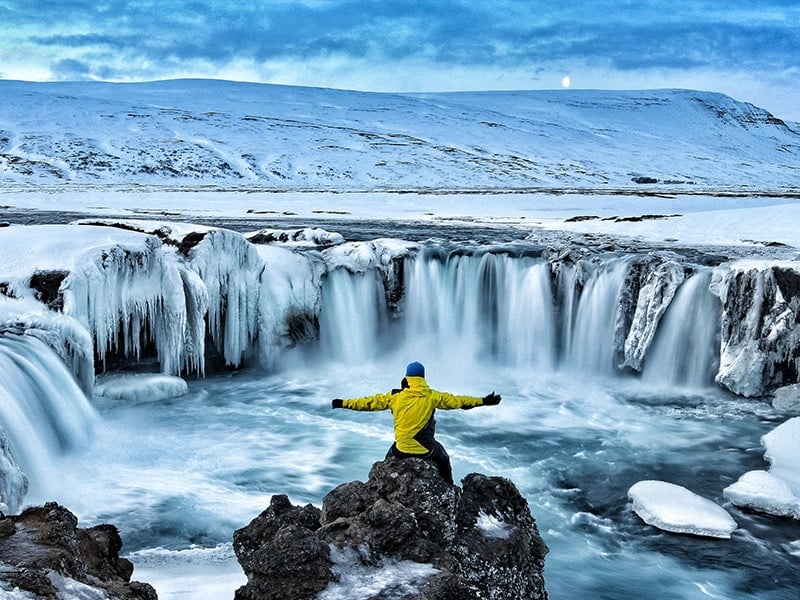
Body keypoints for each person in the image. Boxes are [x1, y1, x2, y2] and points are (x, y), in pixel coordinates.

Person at [331, 361, 501, 484]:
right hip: (426, 450)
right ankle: (449, 486)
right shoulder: (432, 396)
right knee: (443, 456)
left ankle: (381, 479)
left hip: (401, 450)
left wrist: (342, 403)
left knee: (389, 454)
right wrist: (483, 401)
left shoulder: (394, 397)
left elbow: (367, 403)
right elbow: (459, 402)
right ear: (423, 378)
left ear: (407, 378)